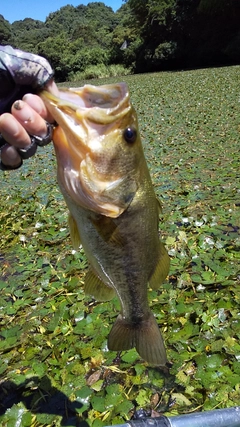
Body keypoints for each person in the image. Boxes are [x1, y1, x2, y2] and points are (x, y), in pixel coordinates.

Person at [0, 45, 59, 170]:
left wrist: (59, 115)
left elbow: (40, 66)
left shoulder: (8, 64)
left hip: (27, 100)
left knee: (33, 105)